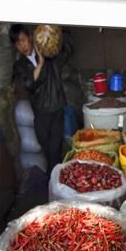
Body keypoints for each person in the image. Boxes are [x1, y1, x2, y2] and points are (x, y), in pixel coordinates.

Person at [9, 24, 73, 175]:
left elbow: (68, 50)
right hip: (40, 113)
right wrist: (41, 64)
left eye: (23, 40)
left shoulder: (50, 55)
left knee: (55, 150)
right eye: (17, 43)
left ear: (30, 37)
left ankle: (53, 183)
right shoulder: (20, 66)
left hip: (56, 108)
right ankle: (54, 181)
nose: (22, 45)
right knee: (45, 147)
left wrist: (61, 32)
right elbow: (28, 85)